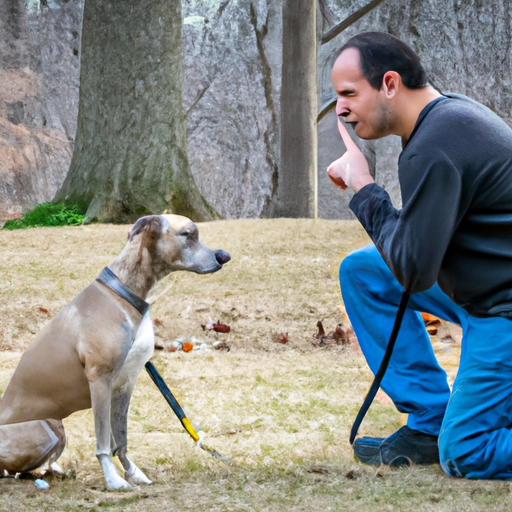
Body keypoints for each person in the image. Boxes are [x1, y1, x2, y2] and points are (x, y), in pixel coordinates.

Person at [327, 31, 512, 480]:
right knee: (364, 272)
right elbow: (420, 243)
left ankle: (455, 430)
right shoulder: (449, 119)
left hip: (501, 310)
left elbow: (413, 271)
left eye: (349, 94)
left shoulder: (433, 146)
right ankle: (429, 420)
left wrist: (363, 185)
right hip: (479, 291)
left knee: (467, 451)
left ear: (389, 83)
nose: (341, 109)